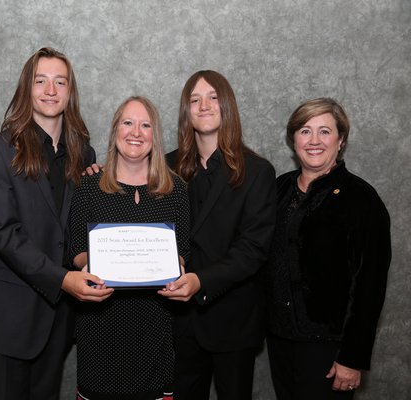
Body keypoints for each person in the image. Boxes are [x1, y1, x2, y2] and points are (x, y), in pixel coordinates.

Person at [0, 47, 112, 400]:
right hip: (11, 315)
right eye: (41, 81)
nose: (50, 90)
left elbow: (79, 228)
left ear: (70, 92)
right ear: (27, 88)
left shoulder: (84, 154)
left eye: (60, 81)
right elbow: (3, 234)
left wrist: (100, 194)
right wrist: (63, 279)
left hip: (59, 317)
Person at [264, 98, 391, 400]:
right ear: (293, 138)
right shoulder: (277, 189)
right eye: (305, 131)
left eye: (324, 131)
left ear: (341, 139)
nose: (314, 141)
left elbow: (370, 286)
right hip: (280, 339)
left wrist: (352, 357)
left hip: (329, 347)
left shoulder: (361, 199)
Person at [160, 70, 276, 400]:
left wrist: (201, 281)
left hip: (233, 320)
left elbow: (252, 249)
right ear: (186, 111)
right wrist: (94, 171)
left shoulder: (257, 171)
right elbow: (129, 194)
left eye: (213, 97)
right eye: (194, 99)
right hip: (179, 320)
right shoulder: (165, 166)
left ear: (227, 106)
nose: (204, 105)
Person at [69, 96, 190, 400]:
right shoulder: (89, 186)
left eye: (145, 125)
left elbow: (182, 250)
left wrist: (176, 266)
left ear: (155, 136)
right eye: (128, 123)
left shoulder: (176, 191)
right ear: (114, 131)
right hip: (100, 328)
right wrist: (93, 263)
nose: (136, 132)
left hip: (154, 328)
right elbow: (76, 250)